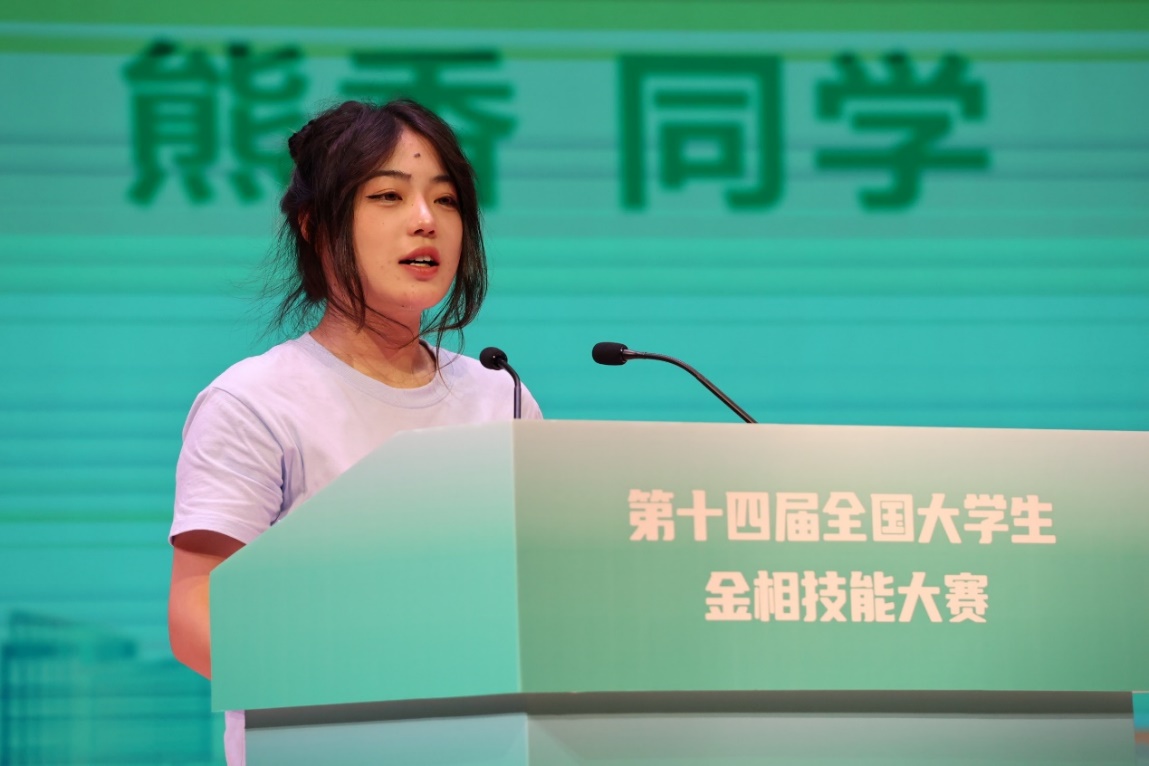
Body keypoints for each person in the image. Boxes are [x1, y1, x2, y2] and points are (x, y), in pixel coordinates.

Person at [167, 99, 541, 765]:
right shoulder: (254, 401)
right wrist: (358, 684)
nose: (425, 220)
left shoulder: (499, 396)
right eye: (388, 196)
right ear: (315, 225)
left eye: (446, 200)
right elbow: (196, 612)